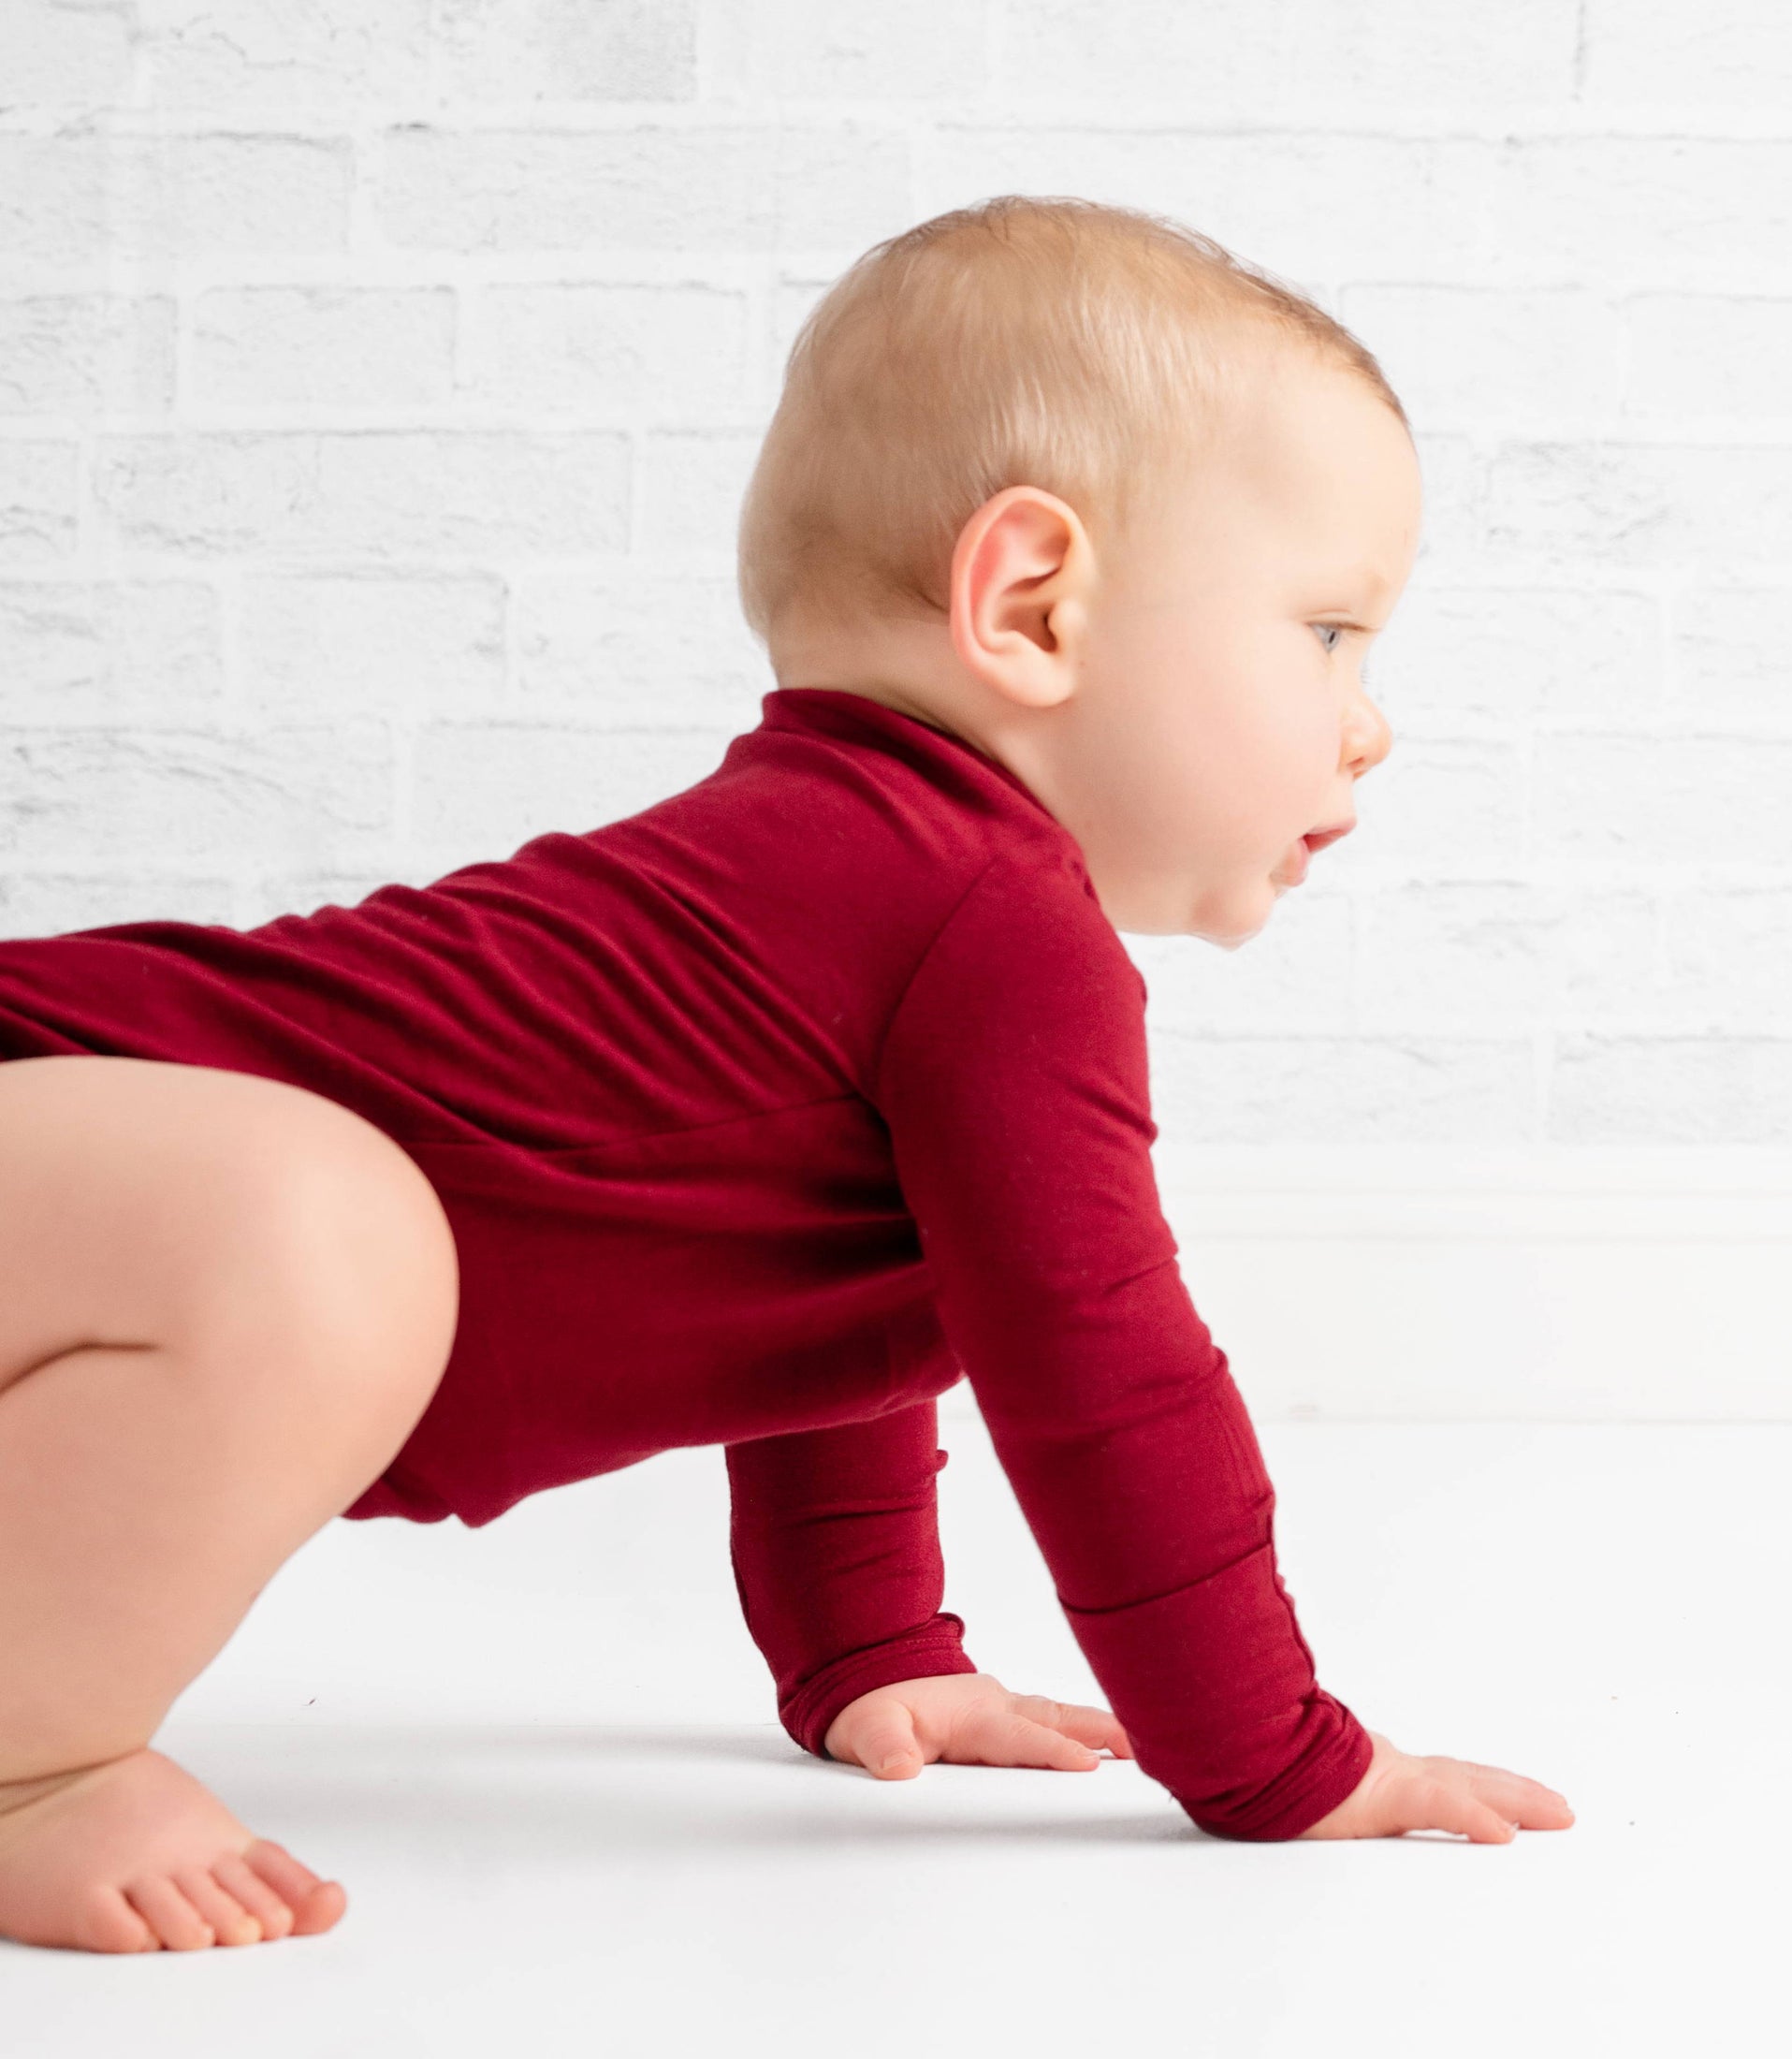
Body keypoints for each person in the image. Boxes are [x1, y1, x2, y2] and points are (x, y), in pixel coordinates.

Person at [0, 196, 1572, 1957]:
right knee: (310, 1229)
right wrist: (1274, 1758)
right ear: (1032, 602)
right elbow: (1101, 1374)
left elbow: (826, 1301)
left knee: (317, 1232)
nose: (1371, 722)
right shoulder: (977, 915)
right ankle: (22, 1763)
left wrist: (874, 1650)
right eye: (1331, 635)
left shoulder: (887, 909)